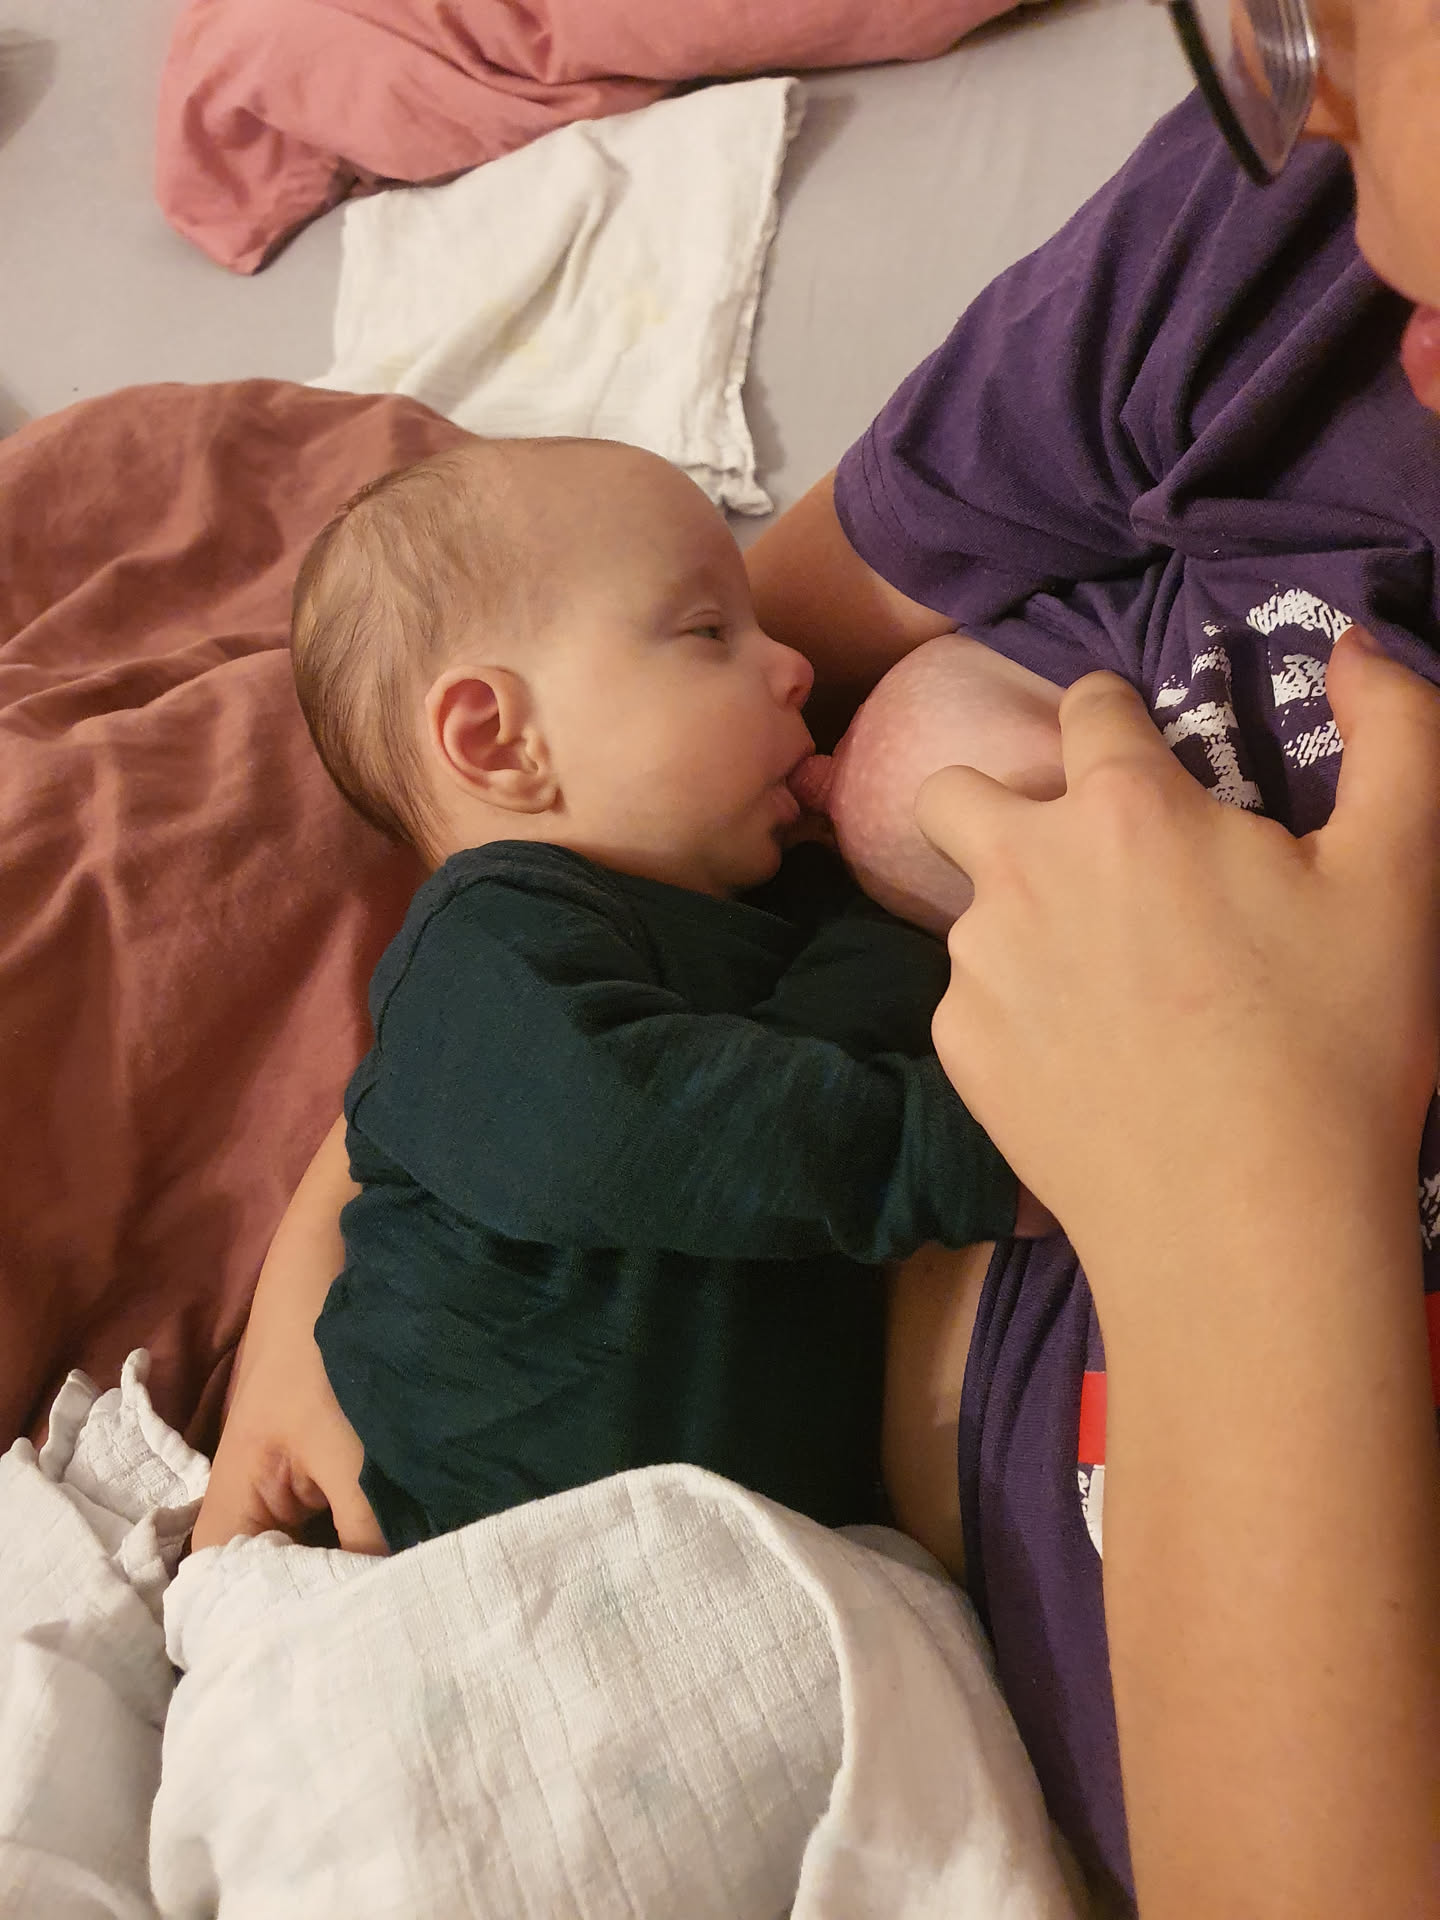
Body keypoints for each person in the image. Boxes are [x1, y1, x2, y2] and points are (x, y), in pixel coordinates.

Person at [196, 3, 1440, 1913]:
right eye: (1282, 13)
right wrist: (334, 1221)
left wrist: (1220, 1194)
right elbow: (591, 1019)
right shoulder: (1275, 227)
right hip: (585, 1574)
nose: (1308, 97)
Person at [270, 435, 1038, 1552]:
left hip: (772, 1562)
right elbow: (625, 1129)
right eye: (710, 632)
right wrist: (959, 1158)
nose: (796, 667)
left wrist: (880, 878)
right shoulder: (483, 945)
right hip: (480, 1547)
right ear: (499, 740)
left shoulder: (786, 907)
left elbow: (843, 1024)